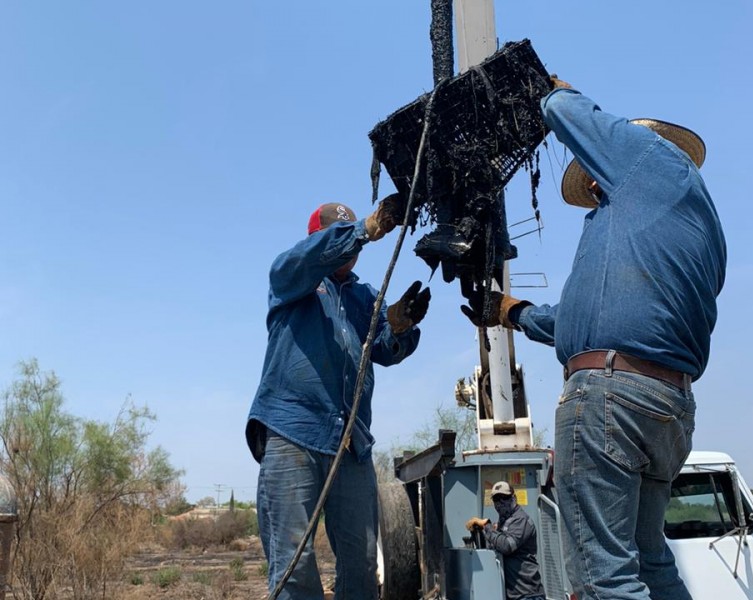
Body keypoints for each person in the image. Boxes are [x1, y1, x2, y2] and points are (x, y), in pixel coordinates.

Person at [461, 76, 726, 600]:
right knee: (650, 562)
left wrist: (544, 85)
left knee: (605, 575)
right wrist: (514, 313)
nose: (596, 189)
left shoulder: (652, 163)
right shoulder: (683, 223)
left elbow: (574, 114)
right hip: (664, 404)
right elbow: (588, 322)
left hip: (612, 397)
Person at [246, 197, 431, 600]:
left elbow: (382, 348)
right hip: (293, 432)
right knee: (293, 564)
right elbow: (307, 259)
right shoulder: (293, 278)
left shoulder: (364, 298)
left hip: (351, 444)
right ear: (318, 241)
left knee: (364, 565)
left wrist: (399, 325)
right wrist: (365, 228)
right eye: (336, 239)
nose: (350, 249)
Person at [465, 480, 545, 600]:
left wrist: (486, 525)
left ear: (514, 497)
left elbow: (506, 546)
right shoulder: (503, 523)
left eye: (504, 497)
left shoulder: (521, 520)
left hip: (528, 594)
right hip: (512, 594)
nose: (501, 502)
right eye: (497, 499)